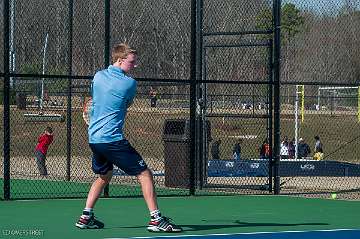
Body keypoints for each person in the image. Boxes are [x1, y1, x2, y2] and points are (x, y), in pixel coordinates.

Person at [75, 43, 182, 232]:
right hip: (112, 139)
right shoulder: (129, 83)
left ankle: (86, 216)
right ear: (119, 60)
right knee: (145, 174)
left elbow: (98, 99)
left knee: (103, 176)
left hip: (95, 139)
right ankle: (156, 219)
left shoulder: (98, 76)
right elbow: (127, 103)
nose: (134, 65)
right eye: (132, 62)